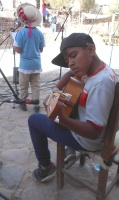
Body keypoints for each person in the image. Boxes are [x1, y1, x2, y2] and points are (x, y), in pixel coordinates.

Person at [28, 33, 117, 182]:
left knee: (35, 120)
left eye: (73, 55)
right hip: (89, 127)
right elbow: (70, 73)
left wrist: (62, 118)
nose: (70, 63)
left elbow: (93, 132)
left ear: (90, 50)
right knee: (67, 109)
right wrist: (55, 91)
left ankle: (46, 167)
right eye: (67, 60)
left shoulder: (100, 84)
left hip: (88, 140)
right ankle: (69, 149)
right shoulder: (96, 69)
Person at [13, 3, 45, 112]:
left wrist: (15, 44)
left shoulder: (20, 33)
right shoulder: (40, 33)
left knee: (23, 86)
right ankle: (36, 104)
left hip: (24, 66)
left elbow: (18, 50)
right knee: (36, 86)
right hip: (36, 65)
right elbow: (41, 49)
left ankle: (23, 103)